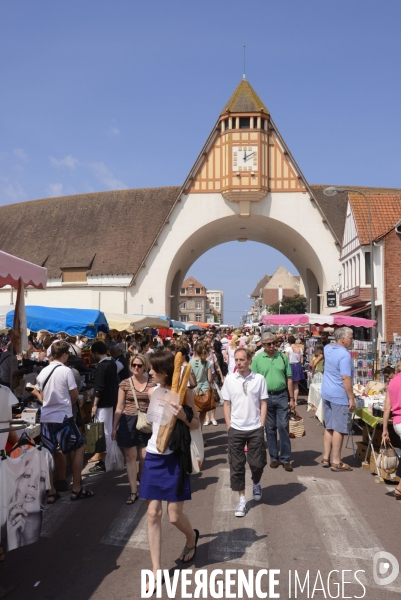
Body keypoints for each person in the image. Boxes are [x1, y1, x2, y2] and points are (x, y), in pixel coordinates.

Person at [140, 352, 200, 590]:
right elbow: (154, 424)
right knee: (153, 513)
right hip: (154, 456)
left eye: (153, 369)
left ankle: (191, 537)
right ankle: (156, 571)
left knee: (174, 516)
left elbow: (196, 424)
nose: (149, 372)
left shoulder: (184, 391)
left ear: (164, 371)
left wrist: (184, 415)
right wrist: (147, 448)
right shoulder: (153, 391)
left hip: (175, 458)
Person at [36, 341, 94, 502]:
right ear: (63, 355)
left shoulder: (42, 372)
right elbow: (74, 396)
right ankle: (76, 488)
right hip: (62, 416)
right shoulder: (66, 371)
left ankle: (51, 491)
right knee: (80, 446)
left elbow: (42, 398)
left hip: (46, 417)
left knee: (49, 453)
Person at [222, 348, 268, 517]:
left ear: (249, 360)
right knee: (236, 465)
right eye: (236, 360)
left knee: (257, 463)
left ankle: (256, 482)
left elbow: (264, 403)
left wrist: (261, 425)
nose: (238, 363)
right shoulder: (230, 379)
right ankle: (242, 499)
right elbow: (226, 404)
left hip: (255, 427)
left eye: (242, 360)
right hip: (236, 429)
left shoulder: (259, 379)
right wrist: (229, 426)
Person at [112, 354, 153, 504]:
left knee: (145, 456)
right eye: (134, 365)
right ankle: (133, 491)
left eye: (139, 365)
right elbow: (119, 406)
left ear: (145, 366)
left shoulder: (152, 383)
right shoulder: (125, 383)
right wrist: (114, 426)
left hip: (146, 422)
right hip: (127, 421)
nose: (136, 367)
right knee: (130, 457)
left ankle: (141, 477)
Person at [251, 332, 294, 471]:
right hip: (265, 398)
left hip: (282, 396)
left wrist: (292, 398)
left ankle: (286, 458)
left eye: (273, 343)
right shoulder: (257, 359)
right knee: (269, 429)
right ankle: (274, 457)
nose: (272, 346)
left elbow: (289, 378)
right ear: (263, 345)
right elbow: (253, 381)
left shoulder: (282, 357)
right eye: (268, 344)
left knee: (283, 427)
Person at [320, 327, 355, 471]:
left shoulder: (329, 349)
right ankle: (336, 461)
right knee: (339, 429)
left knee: (329, 426)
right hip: (339, 394)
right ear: (343, 339)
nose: (352, 340)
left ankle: (326, 457)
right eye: (351, 337)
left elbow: (328, 345)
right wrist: (351, 398)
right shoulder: (345, 355)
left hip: (327, 392)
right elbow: (345, 377)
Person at [90, 341, 118, 473]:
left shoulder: (102, 366)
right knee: (106, 429)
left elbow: (99, 387)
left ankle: (104, 461)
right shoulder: (112, 363)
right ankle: (107, 459)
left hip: (102, 403)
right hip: (111, 401)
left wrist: (94, 404)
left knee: (102, 430)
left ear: (96, 352)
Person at [382, 362, 401, 499]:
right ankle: (399, 488)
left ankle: (399, 488)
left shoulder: (393, 382)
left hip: (396, 422)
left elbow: (387, 407)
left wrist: (384, 429)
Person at [189, 342, 213, 427]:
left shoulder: (189, 363)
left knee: (192, 414)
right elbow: (209, 379)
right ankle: (200, 435)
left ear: (194, 351)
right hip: (204, 390)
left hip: (192, 391)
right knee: (202, 415)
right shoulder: (207, 363)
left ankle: (194, 436)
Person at [285, 335, 304, 405]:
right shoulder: (300, 349)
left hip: (290, 366)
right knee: (296, 385)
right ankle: (295, 401)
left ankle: (291, 400)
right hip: (298, 366)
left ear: (289, 342)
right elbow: (301, 361)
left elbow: (286, 359)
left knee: (289, 383)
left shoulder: (288, 349)